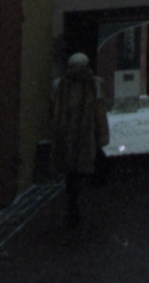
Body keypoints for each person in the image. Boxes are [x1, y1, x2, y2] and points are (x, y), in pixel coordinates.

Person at [52, 52, 110, 228]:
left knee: (71, 174)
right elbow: (100, 112)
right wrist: (102, 136)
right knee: (82, 172)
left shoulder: (60, 84)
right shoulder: (94, 84)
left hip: (68, 136)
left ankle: (73, 207)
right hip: (86, 136)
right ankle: (78, 208)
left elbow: (54, 111)